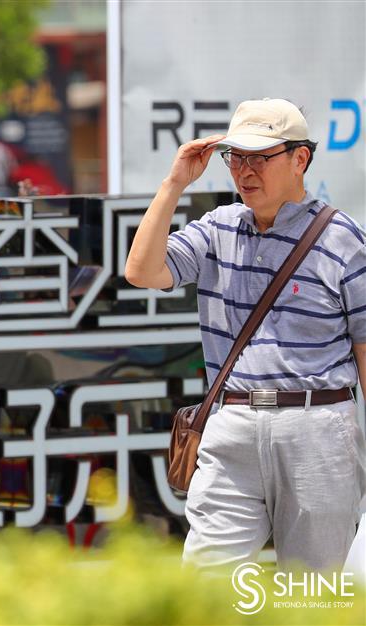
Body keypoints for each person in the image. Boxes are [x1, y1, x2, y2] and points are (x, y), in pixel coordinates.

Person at [125, 98, 366, 570]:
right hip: (231, 425)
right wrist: (174, 182)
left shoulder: (343, 238)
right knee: (203, 586)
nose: (244, 171)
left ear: (300, 159)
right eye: (236, 157)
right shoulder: (217, 227)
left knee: (313, 594)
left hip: (319, 427)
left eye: (260, 157)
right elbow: (141, 271)